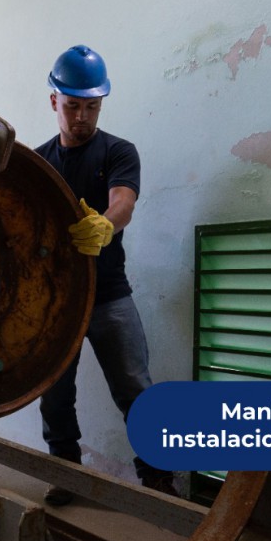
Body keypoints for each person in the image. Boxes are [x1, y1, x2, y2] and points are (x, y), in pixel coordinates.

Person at [35, 45, 177, 506]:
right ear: (54, 101)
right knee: (54, 397)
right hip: (56, 303)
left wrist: (106, 223)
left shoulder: (118, 151)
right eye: (73, 106)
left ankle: (158, 481)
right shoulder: (37, 165)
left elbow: (124, 202)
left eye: (91, 107)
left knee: (136, 389)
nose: (82, 117)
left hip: (109, 295)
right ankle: (66, 474)